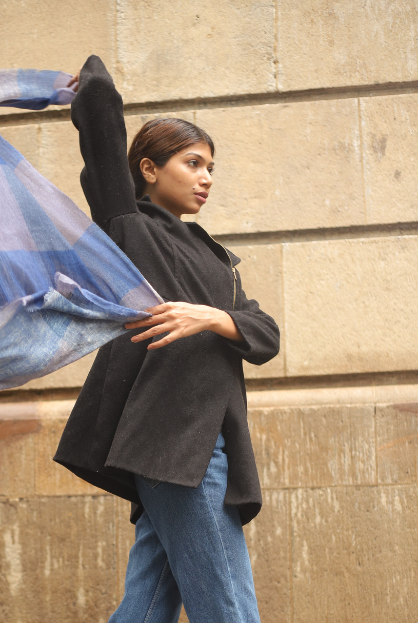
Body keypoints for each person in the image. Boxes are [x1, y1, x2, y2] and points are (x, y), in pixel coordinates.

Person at [54, 55, 280, 623]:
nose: (206, 178)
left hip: (207, 440)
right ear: (150, 170)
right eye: (192, 163)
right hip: (174, 442)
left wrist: (210, 318)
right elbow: (105, 150)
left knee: (147, 606)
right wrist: (94, 90)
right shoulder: (128, 229)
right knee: (229, 607)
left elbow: (265, 332)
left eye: (211, 167)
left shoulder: (215, 257)